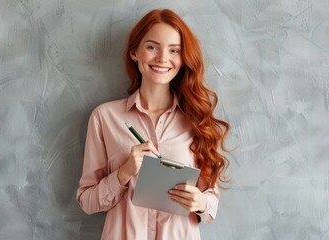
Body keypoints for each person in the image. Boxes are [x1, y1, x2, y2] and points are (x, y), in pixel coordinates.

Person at [76, 8, 229, 240]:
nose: (162, 58)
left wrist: (201, 201)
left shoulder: (197, 120)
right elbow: (87, 202)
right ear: (134, 52)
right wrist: (123, 173)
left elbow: (211, 203)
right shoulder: (104, 118)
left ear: (182, 59)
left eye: (174, 50)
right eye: (152, 47)